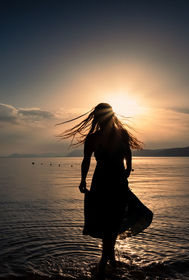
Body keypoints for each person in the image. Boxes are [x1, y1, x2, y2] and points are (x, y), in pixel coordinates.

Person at [58, 103, 143, 277]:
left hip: (118, 183)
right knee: (108, 224)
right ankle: (108, 262)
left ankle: (106, 263)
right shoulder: (93, 138)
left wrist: (128, 169)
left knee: (112, 223)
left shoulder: (121, 134)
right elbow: (86, 160)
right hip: (102, 184)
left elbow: (128, 153)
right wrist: (82, 179)